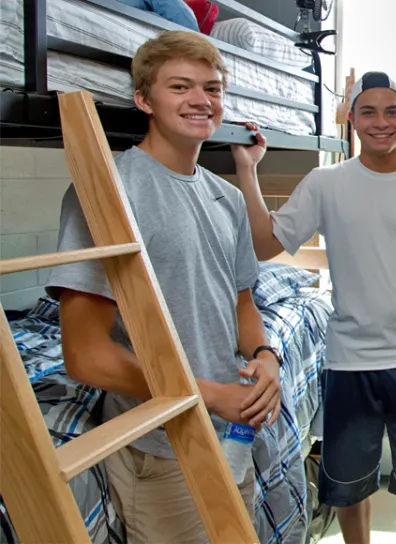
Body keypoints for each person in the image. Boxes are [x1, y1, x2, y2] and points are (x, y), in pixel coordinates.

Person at [45, 30, 282, 543]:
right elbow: (85, 356)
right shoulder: (110, 191)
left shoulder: (226, 197)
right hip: (160, 445)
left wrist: (266, 355)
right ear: (144, 99)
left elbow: (241, 302)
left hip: (232, 432)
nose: (201, 100)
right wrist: (206, 395)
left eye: (213, 89)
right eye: (181, 87)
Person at [233, 71, 396, 544]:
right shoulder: (326, 183)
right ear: (350, 119)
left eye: (391, 111)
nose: (380, 122)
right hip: (349, 364)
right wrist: (247, 169)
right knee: (346, 490)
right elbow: (264, 244)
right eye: (368, 111)